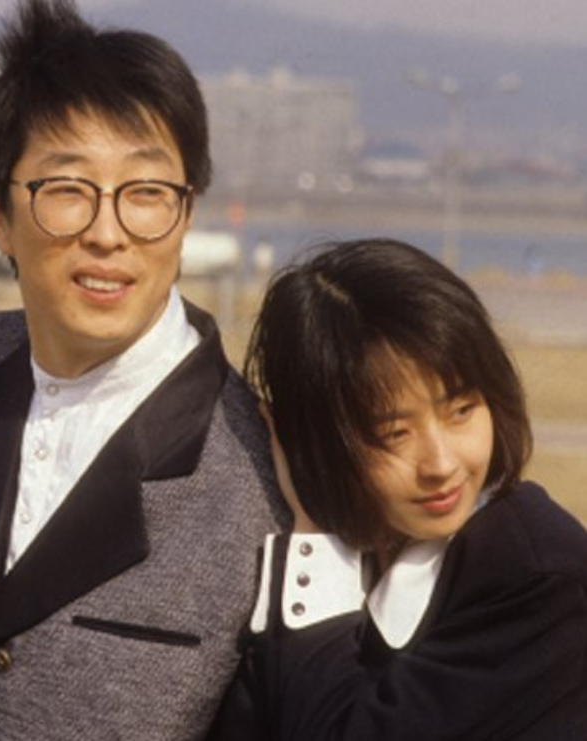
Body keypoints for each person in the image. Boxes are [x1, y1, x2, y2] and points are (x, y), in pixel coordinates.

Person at [0, 1, 286, 739]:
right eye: (67, 191)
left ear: (187, 212)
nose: (108, 234)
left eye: (146, 194)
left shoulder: (264, 472)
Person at [210, 238, 587, 740]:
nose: (441, 464)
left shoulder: (539, 575)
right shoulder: (269, 552)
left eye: (461, 411)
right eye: (394, 434)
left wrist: (316, 545)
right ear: (312, 440)